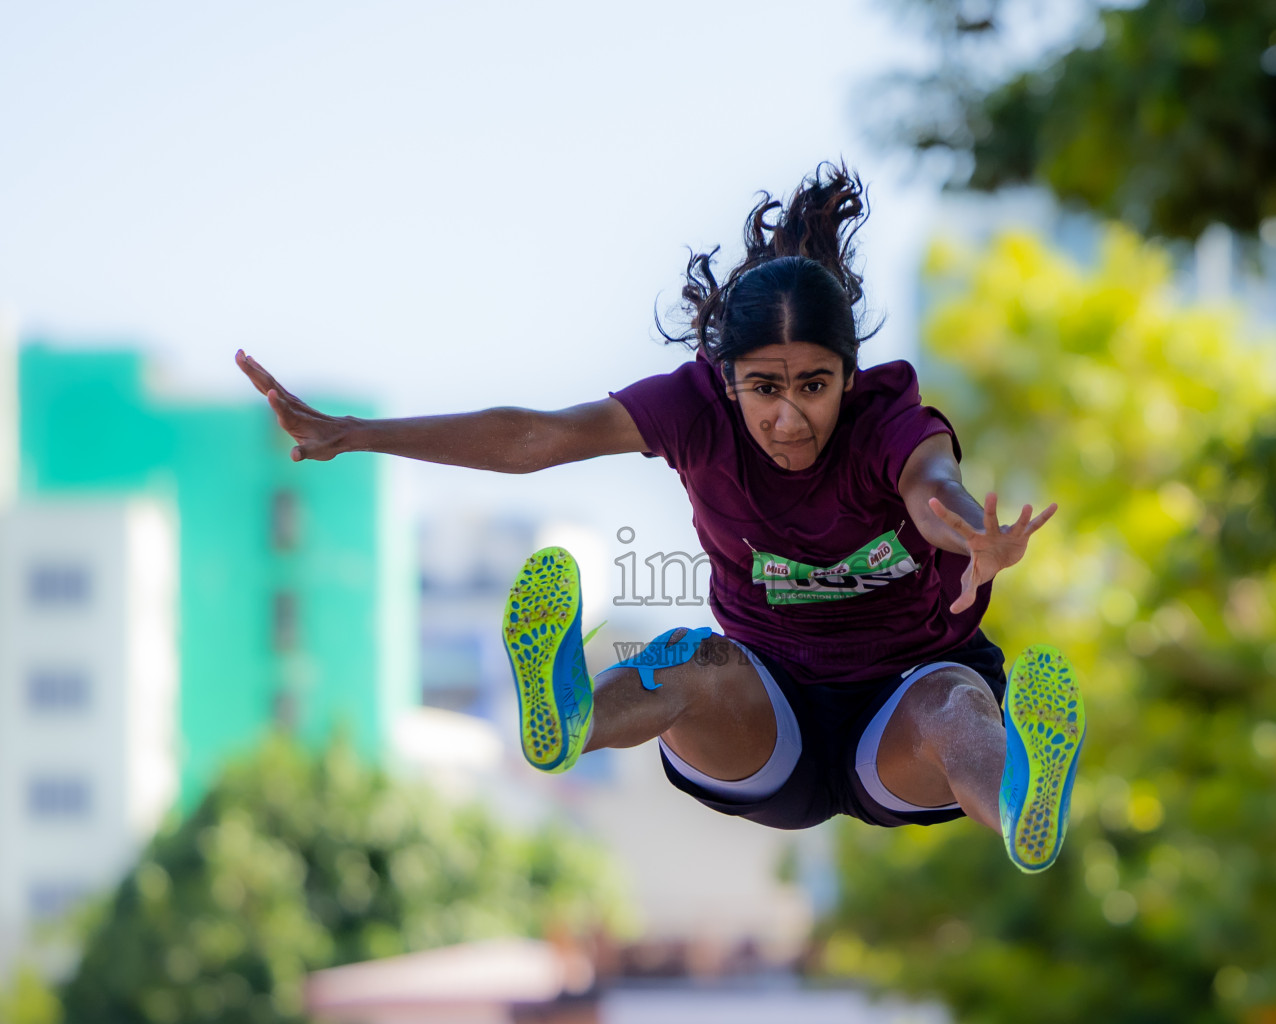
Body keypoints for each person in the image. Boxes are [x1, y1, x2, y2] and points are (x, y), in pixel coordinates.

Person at [235, 163, 1085, 874]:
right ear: (725, 381)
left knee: (956, 704)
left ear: (849, 378)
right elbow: (541, 433)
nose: (790, 420)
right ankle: (572, 721)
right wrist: (355, 435)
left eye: (815, 388)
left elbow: (928, 483)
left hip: (899, 715)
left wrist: (969, 529)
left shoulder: (889, 418)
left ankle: (1017, 805)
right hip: (768, 718)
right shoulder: (690, 413)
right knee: (690, 659)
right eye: (764, 390)